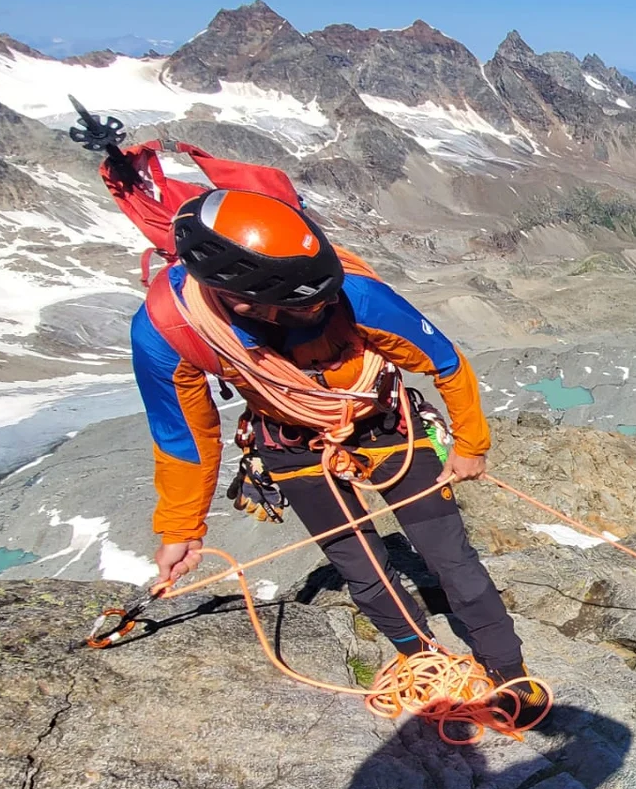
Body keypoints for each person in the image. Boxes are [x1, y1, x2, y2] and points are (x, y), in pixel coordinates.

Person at [129, 187, 535, 688]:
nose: (322, 308)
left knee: (450, 556)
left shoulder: (355, 296)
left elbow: (445, 361)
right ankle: (422, 658)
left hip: (386, 428)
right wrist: (181, 531)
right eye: (303, 306)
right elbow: (183, 436)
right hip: (292, 445)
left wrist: (471, 444)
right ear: (239, 300)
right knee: (363, 569)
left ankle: (509, 670)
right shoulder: (169, 328)